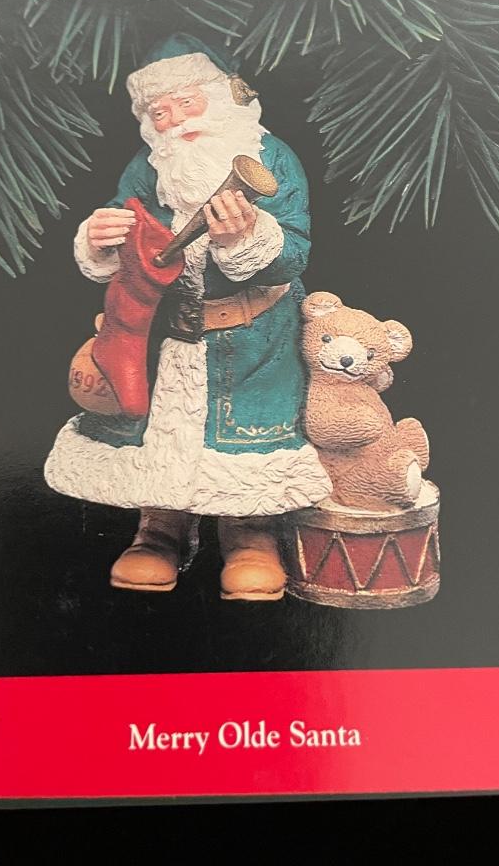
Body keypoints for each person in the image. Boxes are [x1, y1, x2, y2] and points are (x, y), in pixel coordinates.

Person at [44, 33, 332, 600]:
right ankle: (159, 530)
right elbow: (128, 223)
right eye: (160, 111)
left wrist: (247, 237)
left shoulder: (272, 158)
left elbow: (294, 252)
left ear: (220, 98)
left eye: (186, 102)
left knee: (245, 444)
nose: (175, 120)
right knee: (163, 432)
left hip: (252, 339)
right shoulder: (150, 167)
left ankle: (249, 534)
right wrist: (103, 238)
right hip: (166, 334)